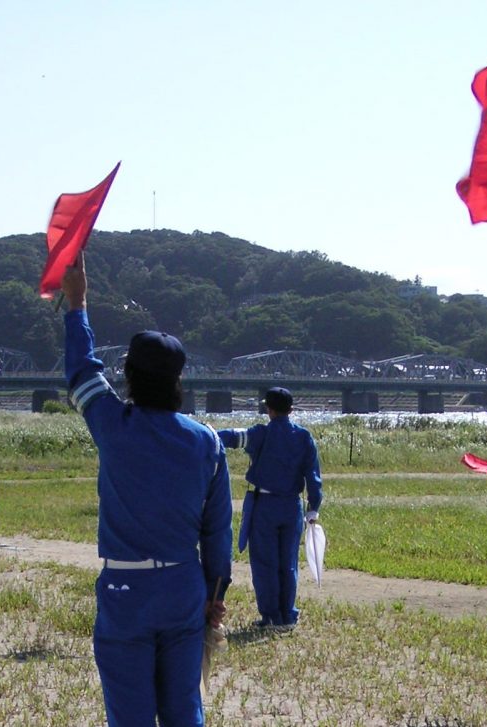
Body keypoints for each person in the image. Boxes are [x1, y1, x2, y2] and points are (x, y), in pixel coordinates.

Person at [60, 258, 233, 727]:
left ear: (129, 376)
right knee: (183, 710)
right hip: (183, 587)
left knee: (129, 714)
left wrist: (77, 304)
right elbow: (217, 530)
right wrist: (216, 591)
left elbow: (79, 371)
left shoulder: (113, 425)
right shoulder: (207, 442)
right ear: (178, 381)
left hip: (125, 588)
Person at [216, 387, 322, 629]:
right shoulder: (304, 437)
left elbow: (232, 437)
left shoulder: (260, 433)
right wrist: (313, 507)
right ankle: (288, 615)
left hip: (264, 504)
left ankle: (271, 616)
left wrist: (204, 434)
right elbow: (313, 476)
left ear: (268, 409)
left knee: (265, 563)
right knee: (288, 563)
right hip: (292, 505)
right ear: (291, 410)